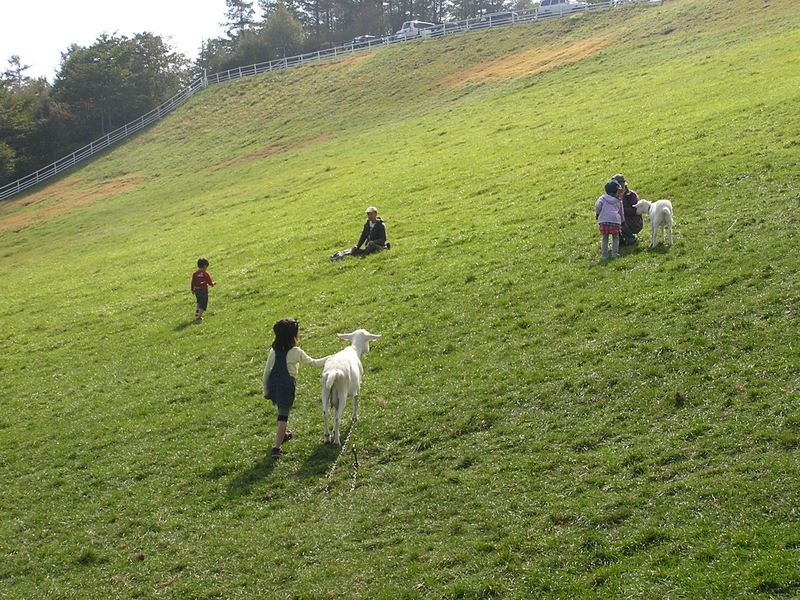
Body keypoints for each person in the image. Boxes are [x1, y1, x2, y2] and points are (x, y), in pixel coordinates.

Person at [263, 319, 329, 459]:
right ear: (293, 335)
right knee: (283, 416)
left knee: (281, 410)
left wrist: (266, 389)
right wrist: (331, 358)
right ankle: (276, 448)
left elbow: (266, 372)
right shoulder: (296, 352)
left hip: (273, 384)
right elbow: (314, 363)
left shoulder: (273, 351)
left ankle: (284, 434)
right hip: (286, 386)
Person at [595, 180, 625, 260]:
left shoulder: (602, 198)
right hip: (615, 221)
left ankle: (604, 256)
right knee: (615, 238)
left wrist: (597, 214)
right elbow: (621, 212)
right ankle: (614, 253)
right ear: (616, 191)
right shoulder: (619, 200)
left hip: (604, 221)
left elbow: (598, 206)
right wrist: (622, 220)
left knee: (605, 238)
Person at [613, 173, 642, 246]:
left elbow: (635, 210)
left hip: (633, 221)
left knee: (620, 220)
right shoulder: (613, 197)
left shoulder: (631, 195)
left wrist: (621, 209)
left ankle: (631, 238)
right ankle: (620, 240)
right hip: (620, 220)